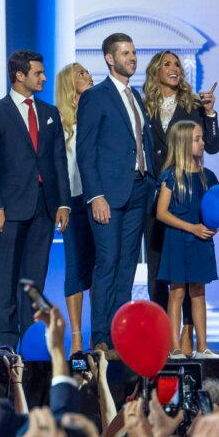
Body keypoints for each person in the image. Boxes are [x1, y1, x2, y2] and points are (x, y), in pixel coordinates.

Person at [0, 50, 70, 353]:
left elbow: (59, 160)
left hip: (44, 208)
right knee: (7, 275)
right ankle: (6, 339)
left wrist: (63, 203)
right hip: (10, 207)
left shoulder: (49, 112)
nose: (44, 77)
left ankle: (29, 337)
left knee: (34, 277)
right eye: (38, 73)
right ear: (20, 75)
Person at [77, 32, 158, 355]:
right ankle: (99, 336)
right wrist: (95, 195)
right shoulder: (96, 96)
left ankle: (117, 336)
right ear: (110, 58)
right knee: (107, 262)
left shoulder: (135, 96)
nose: (133, 57)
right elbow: (86, 151)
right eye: (126, 53)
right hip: (108, 195)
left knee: (126, 266)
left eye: (134, 52)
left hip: (139, 189)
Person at [142, 51, 219, 354]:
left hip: (187, 190)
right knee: (160, 270)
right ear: (155, 71)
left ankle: (189, 339)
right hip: (155, 192)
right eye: (167, 65)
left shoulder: (192, 106)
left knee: (193, 281)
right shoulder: (143, 106)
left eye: (177, 65)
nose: (174, 69)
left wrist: (210, 113)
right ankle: (165, 338)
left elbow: (211, 144)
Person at [154, 120, 219, 359]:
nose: (202, 143)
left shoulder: (208, 176)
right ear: (182, 143)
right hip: (177, 240)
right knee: (177, 292)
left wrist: (213, 225)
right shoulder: (171, 175)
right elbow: (161, 212)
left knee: (199, 291)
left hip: (200, 241)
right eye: (197, 139)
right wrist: (191, 227)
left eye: (202, 138)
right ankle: (174, 348)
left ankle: (202, 347)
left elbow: (217, 208)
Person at [55, 62, 97, 354]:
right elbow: (58, 169)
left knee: (100, 269)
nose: (88, 76)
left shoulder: (97, 113)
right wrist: (62, 203)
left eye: (87, 72)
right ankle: (77, 337)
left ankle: (99, 335)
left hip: (100, 198)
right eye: (80, 73)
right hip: (73, 201)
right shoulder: (59, 124)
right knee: (75, 268)